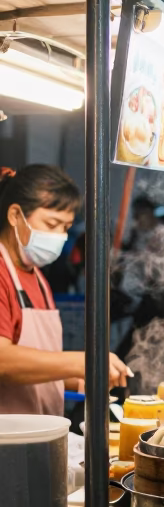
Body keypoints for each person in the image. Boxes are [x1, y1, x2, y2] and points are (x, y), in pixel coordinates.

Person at [0, 165, 129, 415]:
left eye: (66, 227)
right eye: (52, 224)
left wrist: (85, 378)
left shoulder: (37, 277)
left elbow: (38, 367)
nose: (60, 236)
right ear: (15, 215)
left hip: (42, 437)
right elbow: (3, 361)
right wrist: (80, 361)